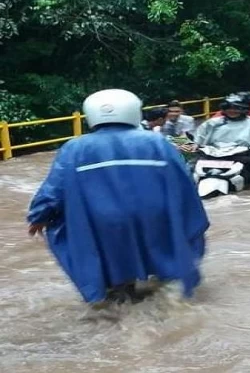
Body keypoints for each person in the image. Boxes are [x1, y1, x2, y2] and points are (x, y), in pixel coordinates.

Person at [27, 89, 210, 307]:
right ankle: (168, 297)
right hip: (155, 216)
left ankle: (118, 300)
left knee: (113, 268)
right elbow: (183, 180)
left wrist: (39, 215)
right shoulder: (157, 142)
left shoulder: (74, 148)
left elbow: (55, 188)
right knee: (166, 259)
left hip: (103, 221)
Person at [180, 93, 250, 184]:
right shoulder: (212, 123)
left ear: (245, 109)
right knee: (188, 172)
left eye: (237, 108)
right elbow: (199, 137)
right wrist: (193, 145)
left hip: (243, 156)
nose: (232, 111)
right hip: (212, 155)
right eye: (228, 108)